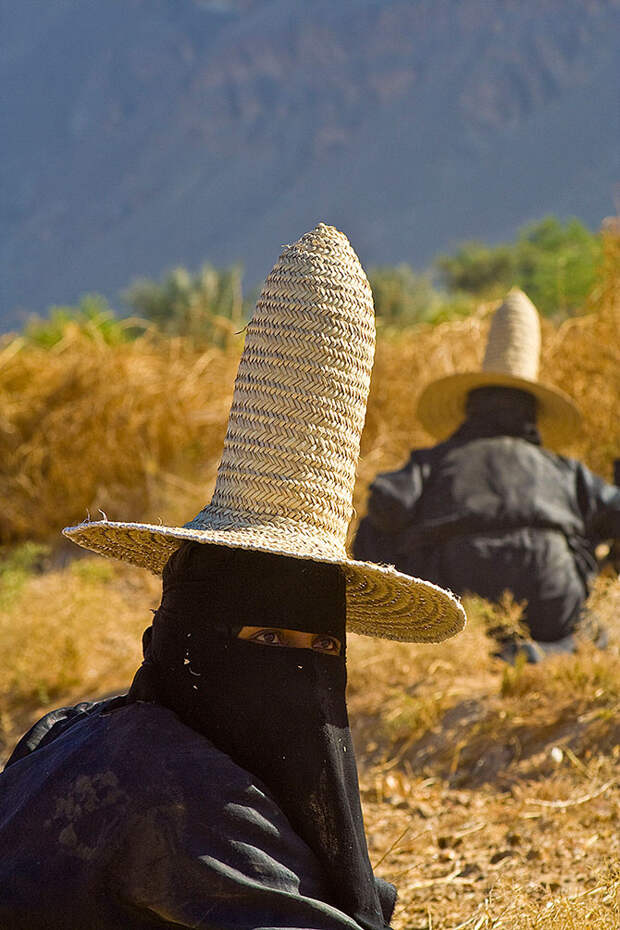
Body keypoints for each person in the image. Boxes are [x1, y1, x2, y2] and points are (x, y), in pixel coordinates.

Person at [0, 224, 465, 930]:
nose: (299, 673)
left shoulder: (66, 733)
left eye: (324, 651)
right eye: (266, 635)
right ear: (192, 629)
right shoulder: (194, 799)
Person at [354, 288, 620, 660]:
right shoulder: (567, 472)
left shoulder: (433, 462)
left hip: (454, 606)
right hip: (555, 604)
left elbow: (387, 502)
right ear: (533, 411)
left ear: (471, 404)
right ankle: (557, 647)